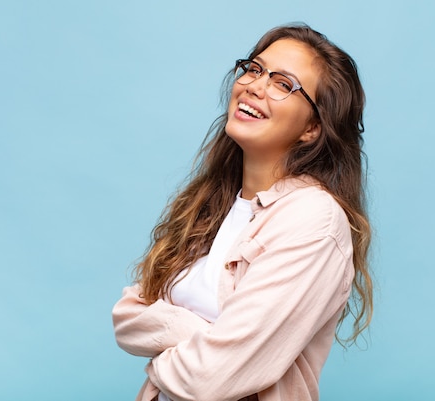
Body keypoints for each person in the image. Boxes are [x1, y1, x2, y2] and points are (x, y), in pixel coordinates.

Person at [112, 23, 373, 401]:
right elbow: (126, 316)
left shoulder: (314, 220)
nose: (255, 85)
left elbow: (210, 380)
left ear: (312, 128)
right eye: (254, 69)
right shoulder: (210, 205)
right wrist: (207, 339)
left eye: (283, 84)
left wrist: (162, 353)